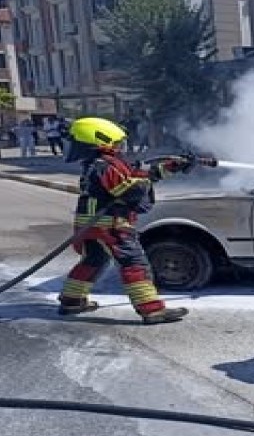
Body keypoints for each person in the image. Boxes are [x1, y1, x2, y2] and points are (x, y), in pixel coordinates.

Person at [56, 116, 191, 325]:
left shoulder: (98, 164)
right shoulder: (106, 165)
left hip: (91, 224)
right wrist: (147, 181)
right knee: (135, 264)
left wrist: (172, 167)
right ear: (101, 140)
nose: (121, 146)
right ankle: (152, 310)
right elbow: (129, 190)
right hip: (110, 225)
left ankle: (71, 301)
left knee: (93, 261)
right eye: (117, 142)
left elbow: (136, 174)